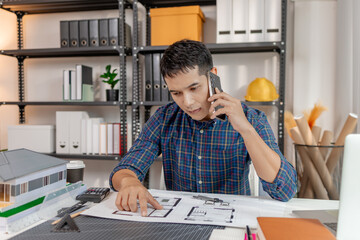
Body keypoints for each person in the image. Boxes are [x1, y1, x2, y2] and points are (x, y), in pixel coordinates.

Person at [109, 39, 297, 216]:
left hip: (230, 222)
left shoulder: (251, 118)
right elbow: (125, 168)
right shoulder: (164, 118)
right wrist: (129, 182)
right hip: (180, 223)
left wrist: (246, 130)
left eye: (194, 88)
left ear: (212, 74)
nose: (188, 102)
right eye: (176, 93)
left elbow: (285, 190)